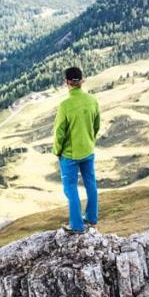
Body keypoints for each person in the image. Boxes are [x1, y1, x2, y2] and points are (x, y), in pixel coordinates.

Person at [53, 65, 100, 234]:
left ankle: (77, 226)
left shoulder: (65, 105)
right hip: (88, 151)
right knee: (91, 184)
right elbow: (96, 125)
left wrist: (57, 150)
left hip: (70, 155)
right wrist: (89, 141)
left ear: (67, 83)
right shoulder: (92, 100)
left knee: (70, 188)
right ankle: (92, 220)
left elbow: (59, 132)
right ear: (82, 81)